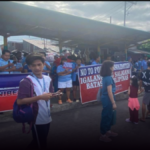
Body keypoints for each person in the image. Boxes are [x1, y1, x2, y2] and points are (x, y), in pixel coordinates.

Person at [16, 53, 58, 149]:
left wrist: (54, 94)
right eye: (33, 65)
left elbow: (49, 94)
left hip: (47, 115)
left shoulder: (48, 79)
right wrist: (40, 97)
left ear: (44, 64)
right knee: (41, 143)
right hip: (36, 118)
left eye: (39, 64)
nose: (37, 68)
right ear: (29, 66)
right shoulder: (26, 81)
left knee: (39, 141)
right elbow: (20, 101)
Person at [99, 60, 118, 142]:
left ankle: (108, 131)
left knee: (109, 115)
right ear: (110, 68)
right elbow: (109, 92)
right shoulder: (109, 78)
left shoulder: (106, 77)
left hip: (106, 98)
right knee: (106, 116)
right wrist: (113, 102)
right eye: (113, 66)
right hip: (108, 98)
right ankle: (103, 135)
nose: (114, 68)